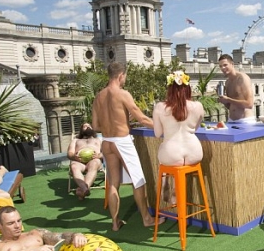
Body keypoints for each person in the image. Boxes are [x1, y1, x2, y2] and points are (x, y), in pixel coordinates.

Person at [92, 61, 159, 231]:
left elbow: (95, 127)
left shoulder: (98, 97)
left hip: (106, 142)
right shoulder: (122, 94)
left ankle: (115, 223)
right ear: (121, 75)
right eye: (125, 77)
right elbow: (142, 118)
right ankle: (146, 219)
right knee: (138, 181)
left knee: (114, 183)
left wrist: (114, 124)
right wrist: (162, 127)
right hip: (122, 142)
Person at [153, 70, 204, 166]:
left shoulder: (160, 107)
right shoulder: (198, 106)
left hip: (171, 155)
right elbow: (195, 128)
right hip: (195, 153)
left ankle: (165, 181)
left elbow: (158, 134)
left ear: (170, 89)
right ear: (188, 88)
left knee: (162, 147)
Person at [67, 122, 104, 200]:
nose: (87, 127)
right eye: (84, 126)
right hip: (79, 161)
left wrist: (99, 155)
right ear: (81, 130)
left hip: (94, 160)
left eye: (89, 126)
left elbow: (106, 152)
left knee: (94, 164)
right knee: (73, 166)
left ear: (92, 129)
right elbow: (70, 153)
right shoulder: (76, 140)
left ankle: (83, 190)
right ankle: (84, 189)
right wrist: (74, 157)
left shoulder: (98, 139)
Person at [217, 54, 255, 123]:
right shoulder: (227, 82)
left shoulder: (243, 78)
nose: (222, 68)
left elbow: (249, 104)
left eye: (225, 65)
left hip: (245, 121)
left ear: (232, 64)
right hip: (231, 120)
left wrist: (228, 99)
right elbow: (230, 106)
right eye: (220, 66)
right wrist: (224, 101)